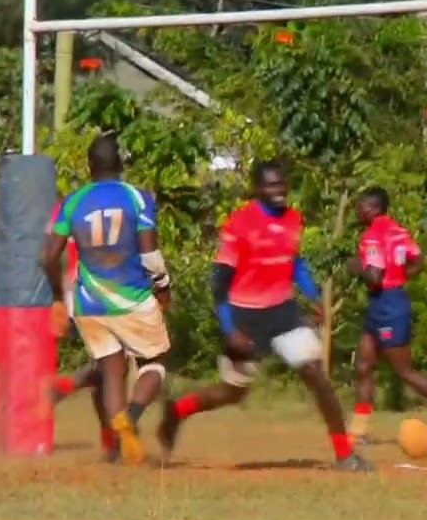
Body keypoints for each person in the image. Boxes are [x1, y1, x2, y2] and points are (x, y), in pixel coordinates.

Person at [155, 160, 373, 472]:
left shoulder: (292, 219)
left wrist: (313, 296)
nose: (279, 190)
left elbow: (295, 263)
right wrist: (230, 329)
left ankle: (344, 455)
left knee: (316, 375)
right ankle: (177, 411)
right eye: (271, 185)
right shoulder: (239, 224)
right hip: (245, 317)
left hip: (284, 313)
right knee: (232, 392)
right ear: (257, 189)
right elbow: (219, 285)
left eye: (282, 183)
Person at [41, 134, 173, 466]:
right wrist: (163, 286)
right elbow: (150, 254)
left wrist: (57, 299)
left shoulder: (73, 201)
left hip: (88, 302)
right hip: (132, 297)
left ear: (89, 166)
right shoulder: (137, 197)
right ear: (121, 162)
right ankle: (130, 416)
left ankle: (116, 442)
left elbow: (48, 256)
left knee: (111, 370)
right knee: (155, 363)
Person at [345, 187, 427, 444]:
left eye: (361, 206)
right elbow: (419, 262)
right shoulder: (400, 231)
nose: (358, 210)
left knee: (404, 372)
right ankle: (359, 431)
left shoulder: (371, 236)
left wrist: (355, 266)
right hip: (386, 301)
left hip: (387, 306)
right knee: (364, 365)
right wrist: (399, 277)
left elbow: (374, 276)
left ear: (374, 209)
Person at [43, 197, 117, 462]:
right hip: (108, 291)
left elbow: (47, 254)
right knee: (112, 365)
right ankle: (65, 386)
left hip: (76, 291)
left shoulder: (68, 205)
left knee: (105, 369)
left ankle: (109, 440)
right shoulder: (121, 201)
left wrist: (58, 297)